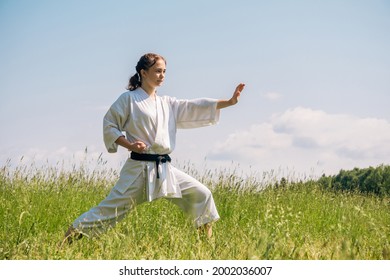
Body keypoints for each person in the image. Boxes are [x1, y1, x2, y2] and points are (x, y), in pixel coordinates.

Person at [64, 53, 245, 243]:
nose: (162, 75)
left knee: (201, 195)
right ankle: (63, 246)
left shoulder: (167, 103)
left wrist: (229, 102)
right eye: (157, 71)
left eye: (164, 71)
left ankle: (206, 249)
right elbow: (109, 124)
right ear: (143, 72)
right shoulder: (128, 99)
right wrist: (129, 144)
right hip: (138, 170)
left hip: (164, 169)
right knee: (108, 211)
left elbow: (193, 106)